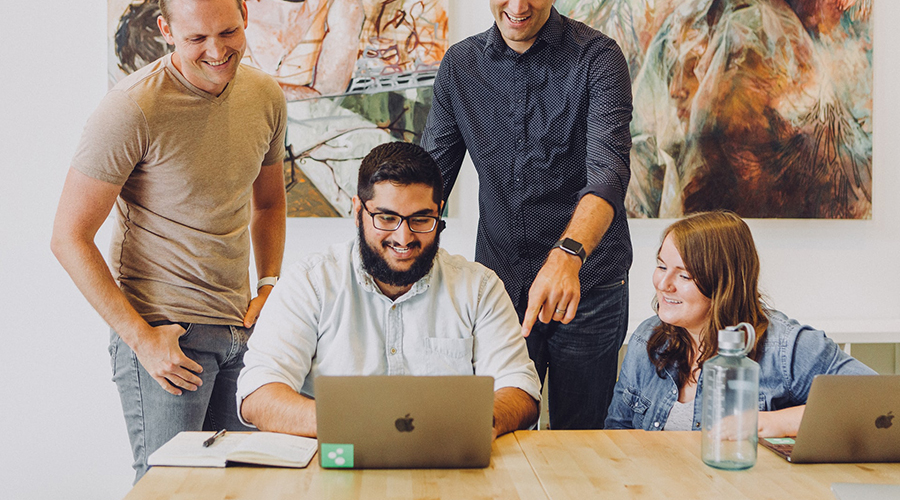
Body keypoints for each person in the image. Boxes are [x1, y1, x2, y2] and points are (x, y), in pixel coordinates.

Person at [51, 0, 287, 481]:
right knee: (170, 487)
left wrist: (268, 286)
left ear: (245, 14)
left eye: (229, 31)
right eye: (197, 38)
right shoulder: (133, 106)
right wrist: (141, 339)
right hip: (167, 338)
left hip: (239, 331)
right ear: (166, 29)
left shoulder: (265, 94)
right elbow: (68, 237)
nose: (218, 51)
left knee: (241, 486)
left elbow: (270, 205)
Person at [419, 0, 633, 429]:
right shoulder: (461, 65)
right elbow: (427, 177)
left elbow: (608, 173)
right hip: (500, 288)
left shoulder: (598, 56)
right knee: (496, 431)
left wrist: (567, 255)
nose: (518, 6)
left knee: (581, 440)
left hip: (587, 285)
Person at [237, 142, 541, 439]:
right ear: (358, 210)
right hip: (335, 468)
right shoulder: (310, 283)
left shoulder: (479, 289)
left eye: (421, 219)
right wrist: (356, 425)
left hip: (448, 471)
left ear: (439, 212)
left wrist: (475, 424)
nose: (403, 237)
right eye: (386, 218)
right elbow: (257, 393)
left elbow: (520, 388)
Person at [605, 211, 875, 436]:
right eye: (662, 267)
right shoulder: (647, 338)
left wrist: (770, 422)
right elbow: (618, 435)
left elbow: (876, 404)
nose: (663, 285)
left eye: (684, 276)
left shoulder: (785, 347)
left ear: (724, 283)